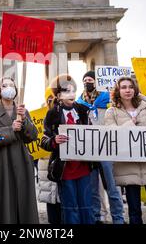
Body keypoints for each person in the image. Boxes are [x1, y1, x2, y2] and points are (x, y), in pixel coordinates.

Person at [104, 77, 146, 224]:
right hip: (128, 167)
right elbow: (112, 134)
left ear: (135, 89)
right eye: (124, 87)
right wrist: (129, 124)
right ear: (118, 91)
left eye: (130, 87)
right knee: (134, 211)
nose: (128, 90)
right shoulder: (111, 112)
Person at [0, 77, 39, 224]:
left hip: (21, 161)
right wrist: (10, 130)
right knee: (4, 202)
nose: (9, 87)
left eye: (11, 85)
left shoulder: (22, 110)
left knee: (24, 201)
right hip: (1, 162)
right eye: (5, 85)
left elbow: (32, 136)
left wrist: (25, 120)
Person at [41, 74, 94, 224]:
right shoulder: (52, 114)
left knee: (86, 206)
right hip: (65, 169)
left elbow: (93, 134)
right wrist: (54, 140)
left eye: (73, 90)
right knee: (70, 207)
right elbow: (44, 141)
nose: (71, 94)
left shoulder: (84, 110)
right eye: (66, 91)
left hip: (84, 166)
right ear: (58, 95)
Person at [77, 71, 125, 224]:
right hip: (90, 149)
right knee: (93, 188)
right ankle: (98, 217)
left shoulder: (108, 99)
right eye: (85, 80)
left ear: (97, 81)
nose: (87, 82)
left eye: (90, 79)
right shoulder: (79, 102)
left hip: (106, 147)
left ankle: (118, 217)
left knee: (112, 186)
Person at [37, 87, 61, 224]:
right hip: (45, 161)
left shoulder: (63, 113)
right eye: (49, 98)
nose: (52, 101)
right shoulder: (41, 114)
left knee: (61, 199)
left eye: (54, 97)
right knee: (50, 197)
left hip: (59, 161)